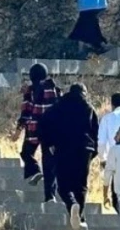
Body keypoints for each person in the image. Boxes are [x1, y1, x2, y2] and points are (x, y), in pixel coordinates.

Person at [39, 83, 99, 228]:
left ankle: (72, 204)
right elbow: (96, 132)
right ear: (84, 93)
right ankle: (81, 218)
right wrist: (94, 151)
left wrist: (49, 144)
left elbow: (44, 124)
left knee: (64, 185)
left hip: (63, 148)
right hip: (85, 149)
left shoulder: (58, 107)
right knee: (81, 185)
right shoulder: (89, 108)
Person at [18, 63, 61, 201]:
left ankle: (35, 171)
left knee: (26, 152)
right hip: (52, 131)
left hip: (34, 129)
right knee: (49, 163)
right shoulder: (55, 89)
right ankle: (50, 196)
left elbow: (26, 111)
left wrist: (18, 129)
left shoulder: (31, 90)